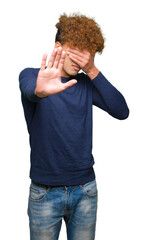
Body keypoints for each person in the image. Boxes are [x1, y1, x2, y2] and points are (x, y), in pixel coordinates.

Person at [19, 13, 129, 240]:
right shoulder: (33, 76)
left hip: (85, 191)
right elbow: (32, 90)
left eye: (87, 53)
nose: (81, 60)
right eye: (76, 50)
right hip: (45, 193)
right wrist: (41, 90)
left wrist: (92, 70)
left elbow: (122, 111)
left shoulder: (86, 84)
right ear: (58, 47)